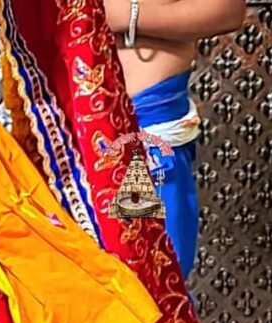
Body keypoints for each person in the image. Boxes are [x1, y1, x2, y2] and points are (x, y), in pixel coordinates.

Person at [104, 0, 246, 278]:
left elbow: (227, 9)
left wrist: (128, 14)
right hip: (58, 131)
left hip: (147, 130)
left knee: (150, 285)